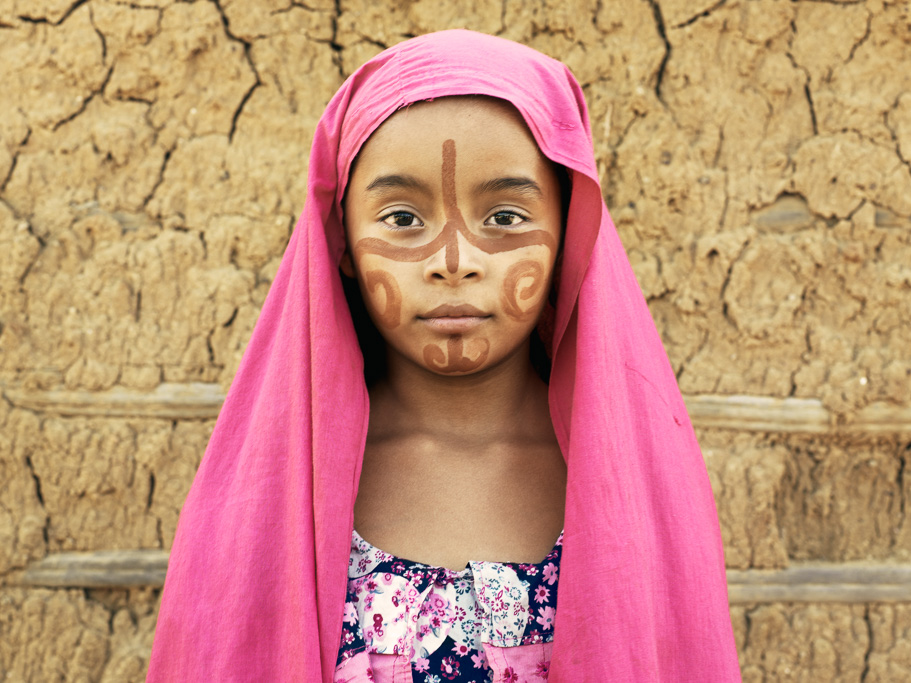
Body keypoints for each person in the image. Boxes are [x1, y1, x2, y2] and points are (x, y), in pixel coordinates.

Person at [147, 30, 741, 682]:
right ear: (340, 240)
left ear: (571, 231)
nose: (452, 262)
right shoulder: (265, 502)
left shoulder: (640, 492)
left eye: (506, 217)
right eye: (402, 218)